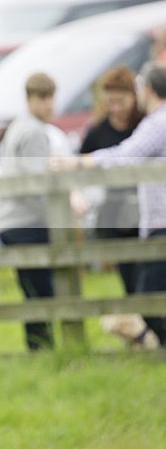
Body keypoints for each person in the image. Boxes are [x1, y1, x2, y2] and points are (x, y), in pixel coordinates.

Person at [56, 61, 166, 346]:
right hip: (133, 220)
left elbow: (125, 155)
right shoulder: (134, 124)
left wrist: (76, 162)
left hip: (159, 222)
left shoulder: (157, 122)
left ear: (147, 90)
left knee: (147, 299)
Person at [0, 72, 57, 351]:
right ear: (30, 99)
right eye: (42, 98)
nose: (49, 105)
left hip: (9, 221)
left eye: (51, 97)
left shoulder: (19, 125)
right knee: (42, 292)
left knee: (32, 290)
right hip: (25, 221)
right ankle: (42, 348)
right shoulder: (33, 131)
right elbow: (35, 183)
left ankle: (38, 348)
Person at [79, 66, 144, 294]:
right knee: (130, 280)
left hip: (148, 210)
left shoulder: (145, 126)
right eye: (111, 102)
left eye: (121, 101)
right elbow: (80, 163)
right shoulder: (98, 131)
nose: (115, 108)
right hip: (116, 214)